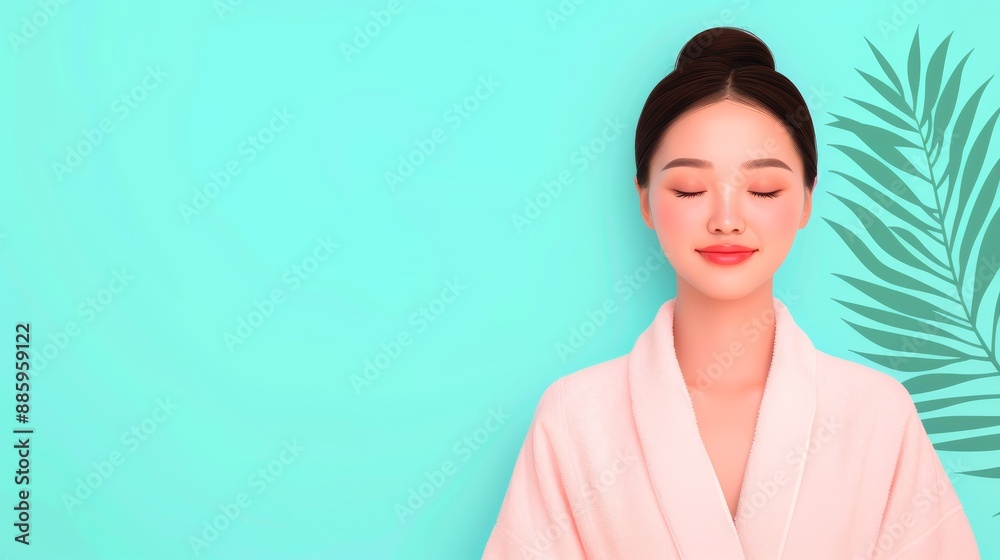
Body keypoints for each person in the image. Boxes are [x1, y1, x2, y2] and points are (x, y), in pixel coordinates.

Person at [481, 26, 980, 559]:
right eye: (689, 190)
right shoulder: (577, 419)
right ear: (646, 201)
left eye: (763, 189)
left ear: (807, 199)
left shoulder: (877, 415)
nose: (725, 220)